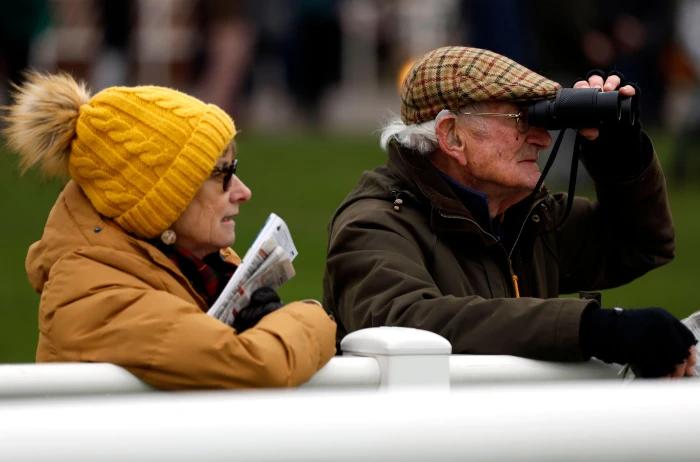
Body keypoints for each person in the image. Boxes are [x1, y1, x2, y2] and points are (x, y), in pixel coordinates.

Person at [323, 46, 696, 378]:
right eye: (522, 120)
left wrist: (619, 154)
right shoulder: (376, 223)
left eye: (542, 117)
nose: (543, 138)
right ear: (452, 135)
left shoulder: (524, 216)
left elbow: (642, 244)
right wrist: (593, 329)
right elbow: (408, 321)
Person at [3, 72, 336, 389]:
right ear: (159, 198)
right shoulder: (95, 292)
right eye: (222, 174)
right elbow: (259, 366)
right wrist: (313, 316)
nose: (242, 192)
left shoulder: (194, 262)